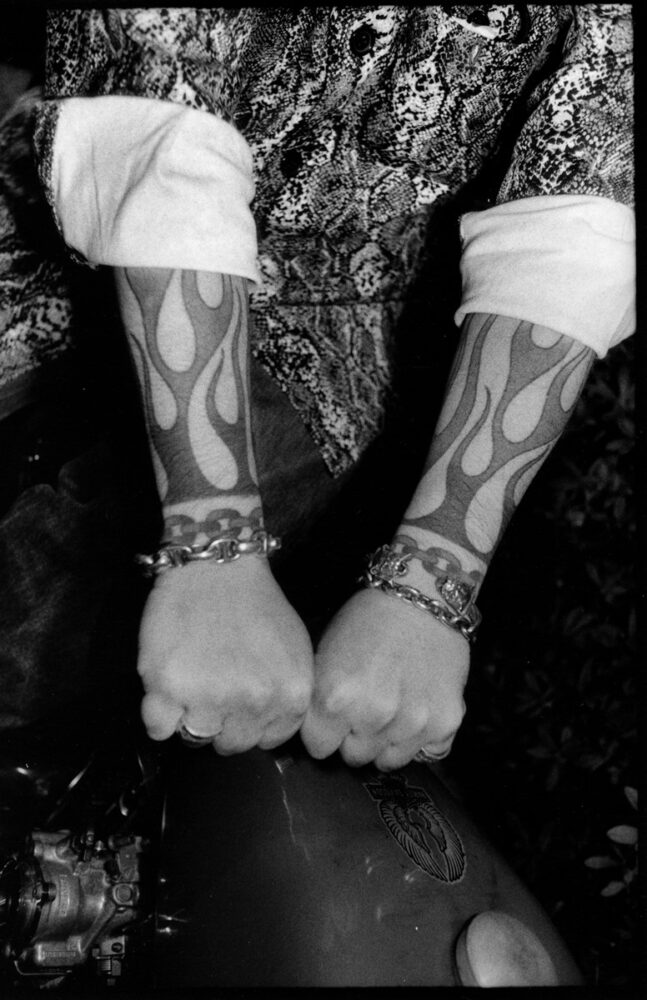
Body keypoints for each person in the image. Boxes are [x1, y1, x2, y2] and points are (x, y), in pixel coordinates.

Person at [30, 6, 634, 772]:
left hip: (351, 347)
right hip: (60, 243)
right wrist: (213, 543)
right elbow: (159, 119)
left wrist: (429, 585)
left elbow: (578, 222)